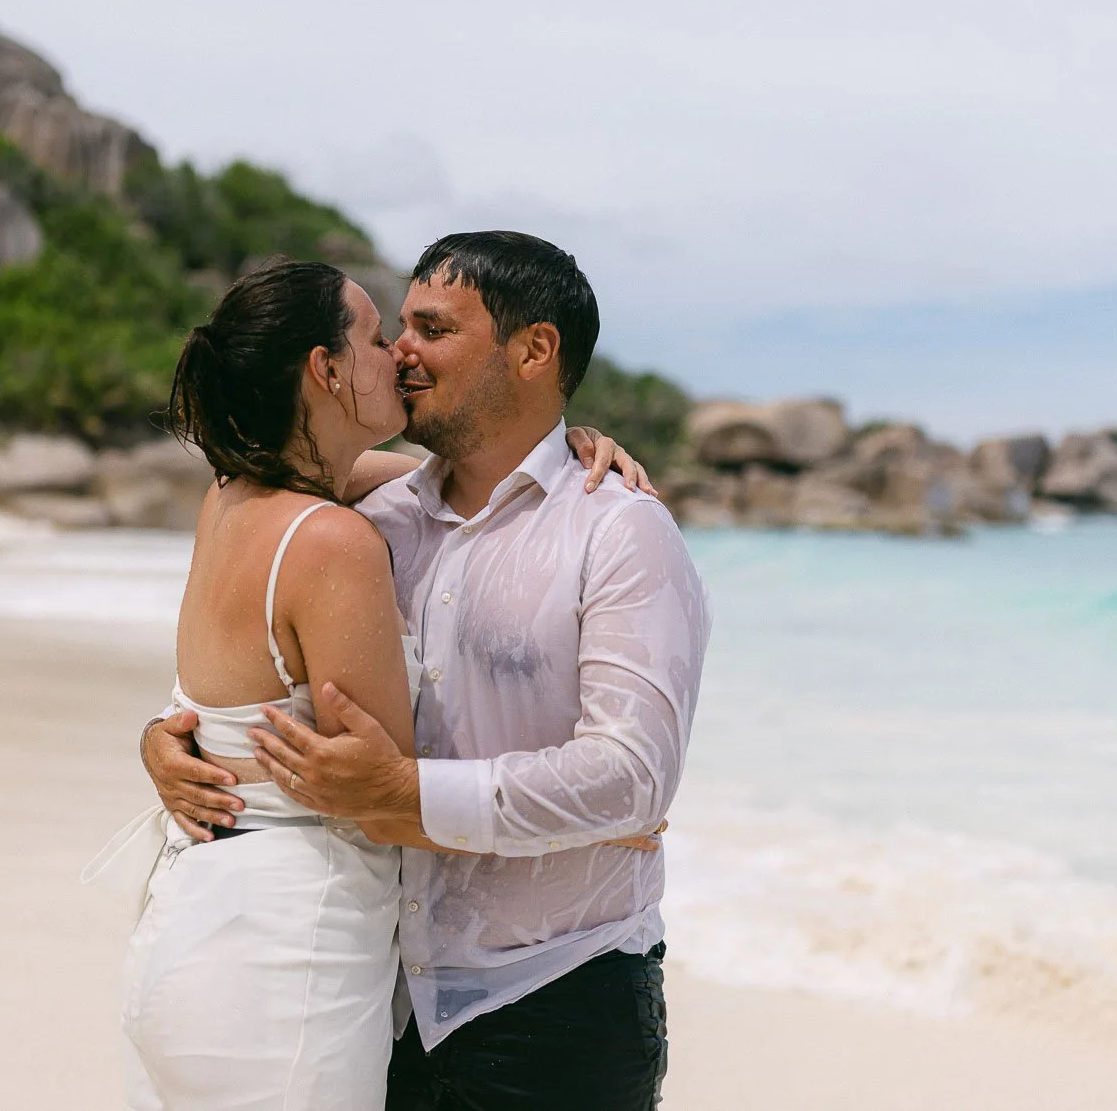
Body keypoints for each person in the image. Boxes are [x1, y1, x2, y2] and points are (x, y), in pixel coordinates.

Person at [145, 232, 712, 1111]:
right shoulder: (375, 513)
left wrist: (403, 794)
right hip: (381, 1000)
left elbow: (632, 776)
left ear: (534, 350)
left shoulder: (618, 529)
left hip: (554, 1002)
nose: (401, 350)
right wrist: (174, 736)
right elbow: (250, 618)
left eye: (433, 329)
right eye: (395, 328)